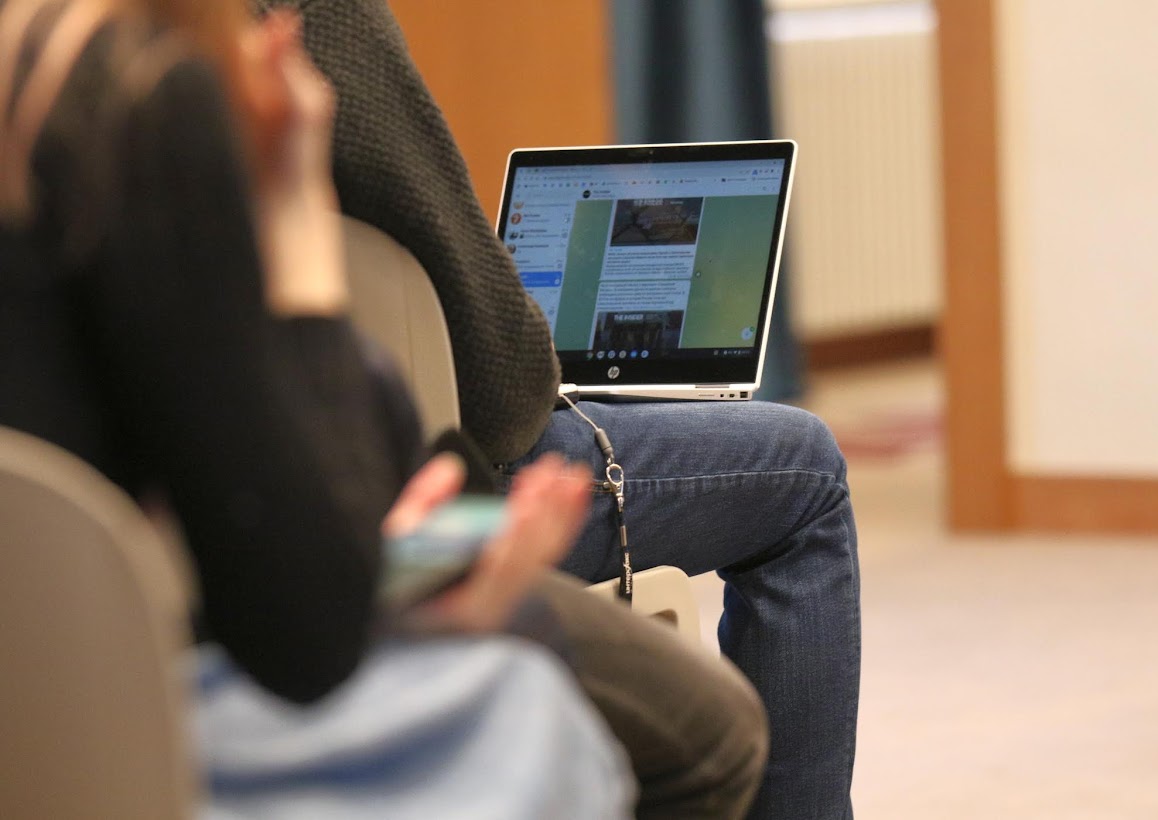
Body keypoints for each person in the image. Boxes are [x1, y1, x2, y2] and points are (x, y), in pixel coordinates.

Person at [0, 1, 765, 816]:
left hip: (62, 671)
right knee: (711, 727)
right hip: (180, 673)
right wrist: (298, 223)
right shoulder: (146, 95)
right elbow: (308, 633)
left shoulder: (46, 88)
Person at [263, 0, 863, 816]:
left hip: (210, 561)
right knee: (805, 470)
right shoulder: (315, 24)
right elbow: (502, 400)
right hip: (426, 526)